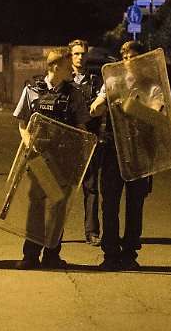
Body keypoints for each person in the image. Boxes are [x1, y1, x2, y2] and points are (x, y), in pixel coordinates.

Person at [12, 48, 90, 269]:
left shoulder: (73, 94)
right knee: (35, 207)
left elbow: (81, 127)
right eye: (68, 67)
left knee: (58, 207)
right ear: (55, 67)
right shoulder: (32, 90)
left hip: (63, 158)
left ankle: (52, 254)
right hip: (39, 159)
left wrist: (82, 155)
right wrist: (29, 145)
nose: (72, 72)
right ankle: (30, 255)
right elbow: (22, 123)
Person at [89, 40, 159, 271]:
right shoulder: (112, 81)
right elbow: (96, 108)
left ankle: (130, 253)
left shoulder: (151, 87)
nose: (130, 61)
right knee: (109, 203)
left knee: (135, 204)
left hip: (139, 151)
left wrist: (130, 106)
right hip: (113, 150)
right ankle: (110, 253)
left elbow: (157, 115)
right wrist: (103, 102)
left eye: (135, 57)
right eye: (126, 57)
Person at [69, 39, 102, 246]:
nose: (80, 57)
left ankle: (91, 231)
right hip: (67, 141)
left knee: (91, 188)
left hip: (90, 139)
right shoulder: (64, 79)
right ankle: (55, 234)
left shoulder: (95, 80)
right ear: (70, 56)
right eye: (76, 54)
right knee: (62, 190)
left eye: (83, 53)